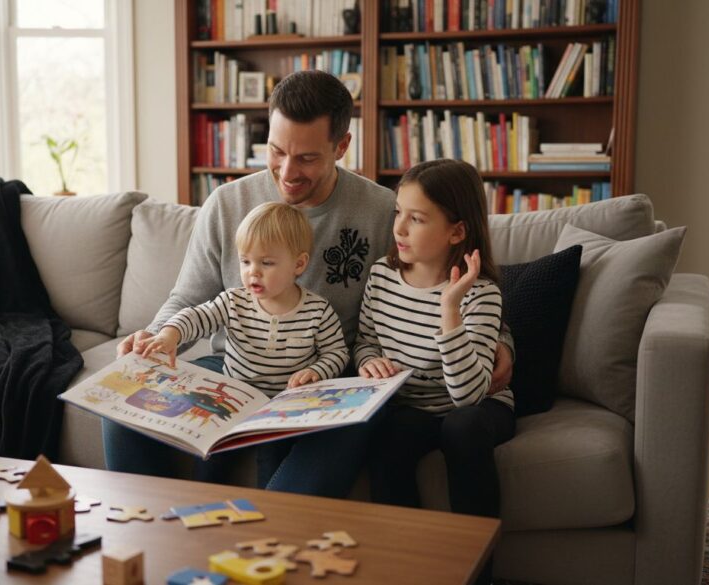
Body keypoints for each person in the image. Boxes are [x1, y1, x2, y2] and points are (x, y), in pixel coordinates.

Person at [109, 70, 513, 496]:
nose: (287, 172)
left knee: (361, 431)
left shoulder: (382, 211)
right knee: (123, 411)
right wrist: (154, 340)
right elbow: (189, 298)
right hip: (234, 365)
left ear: (341, 147)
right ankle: (154, 531)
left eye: (306, 158)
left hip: (331, 376)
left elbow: (449, 275)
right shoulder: (228, 204)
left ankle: (270, 537)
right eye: (277, 151)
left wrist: (500, 340)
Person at [356, 159, 515, 584]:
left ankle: (478, 570)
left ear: (457, 231)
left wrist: (449, 308)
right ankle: (408, 567)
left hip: (478, 406)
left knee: (461, 427)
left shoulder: (481, 295)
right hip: (414, 406)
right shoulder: (382, 276)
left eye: (417, 218)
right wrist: (368, 360)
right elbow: (366, 339)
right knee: (388, 438)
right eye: (398, 214)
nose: (400, 229)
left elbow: (468, 395)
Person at [137, 201, 349, 392]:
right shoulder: (232, 302)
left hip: (291, 402)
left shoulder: (318, 311)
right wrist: (169, 334)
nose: (252, 272)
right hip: (234, 394)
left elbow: (337, 353)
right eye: (245, 261)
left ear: (299, 264)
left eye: (266, 263)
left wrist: (317, 371)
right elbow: (195, 317)